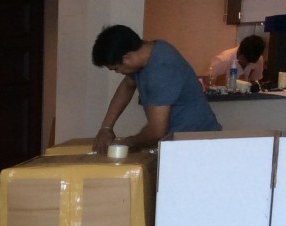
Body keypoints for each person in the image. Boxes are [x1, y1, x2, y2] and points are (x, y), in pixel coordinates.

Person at [91, 24, 220, 154]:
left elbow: (156, 131)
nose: (119, 72)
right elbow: (127, 86)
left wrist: (128, 143)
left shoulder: (161, 69)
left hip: (198, 145)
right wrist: (106, 128)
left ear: (127, 57)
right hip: (180, 142)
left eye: (116, 69)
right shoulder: (149, 52)